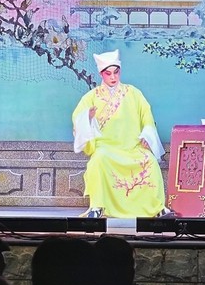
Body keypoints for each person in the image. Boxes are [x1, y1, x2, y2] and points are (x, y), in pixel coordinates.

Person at [72, 49, 172, 219]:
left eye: (116, 72)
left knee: (149, 161)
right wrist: (87, 117)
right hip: (106, 149)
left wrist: (147, 136)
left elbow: (147, 116)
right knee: (98, 160)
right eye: (108, 73)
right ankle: (98, 206)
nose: (113, 77)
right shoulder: (91, 97)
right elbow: (77, 118)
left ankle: (157, 207)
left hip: (132, 147)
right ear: (101, 74)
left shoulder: (134, 93)